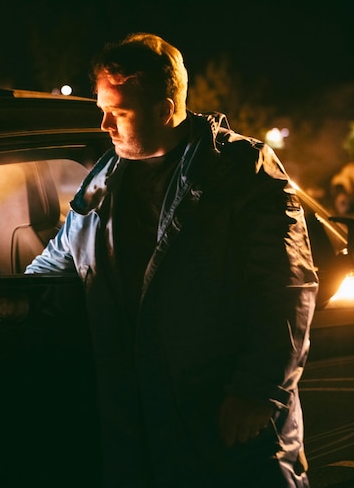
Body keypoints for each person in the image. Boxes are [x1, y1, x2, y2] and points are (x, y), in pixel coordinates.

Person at [26, 33, 318, 488]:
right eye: (102, 109)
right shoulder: (106, 177)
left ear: (164, 110)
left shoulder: (240, 170)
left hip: (224, 418)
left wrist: (257, 391)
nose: (104, 124)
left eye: (118, 112)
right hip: (139, 426)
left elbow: (286, 288)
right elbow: (55, 264)